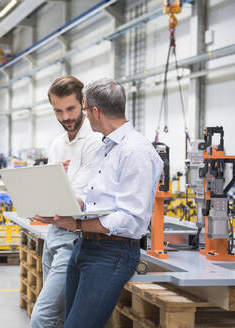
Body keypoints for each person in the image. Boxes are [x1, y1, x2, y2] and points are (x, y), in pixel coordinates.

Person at [35, 78, 163, 328]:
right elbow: (94, 199)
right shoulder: (108, 147)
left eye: (82, 109)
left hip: (112, 253)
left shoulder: (135, 152)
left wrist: (77, 225)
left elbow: (131, 220)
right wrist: (59, 205)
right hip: (85, 246)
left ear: (94, 111)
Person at [30, 75, 102, 328]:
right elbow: (52, 191)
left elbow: (80, 198)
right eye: (58, 111)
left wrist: (61, 179)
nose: (65, 118)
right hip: (53, 234)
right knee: (58, 317)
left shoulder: (94, 141)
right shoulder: (58, 143)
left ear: (83, 103)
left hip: (75, 238)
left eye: (70, 109)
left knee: (42, 318)